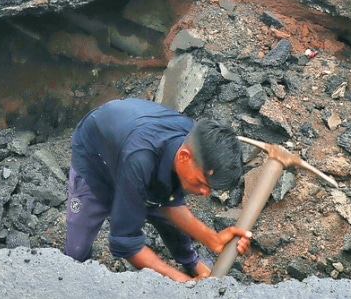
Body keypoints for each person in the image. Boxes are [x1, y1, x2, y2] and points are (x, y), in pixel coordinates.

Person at [64, 99, 252, 281]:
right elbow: (124, 242)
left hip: (131, 143)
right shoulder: (140, 159)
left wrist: (214, 240)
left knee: (165, 212)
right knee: (75, 253)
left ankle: (191, 262)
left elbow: (169, 201)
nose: (204, 192)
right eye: (202, 183)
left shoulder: (193, 141)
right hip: (95, 158)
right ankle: (79, 274)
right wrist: (182, 282)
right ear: (184, 157)